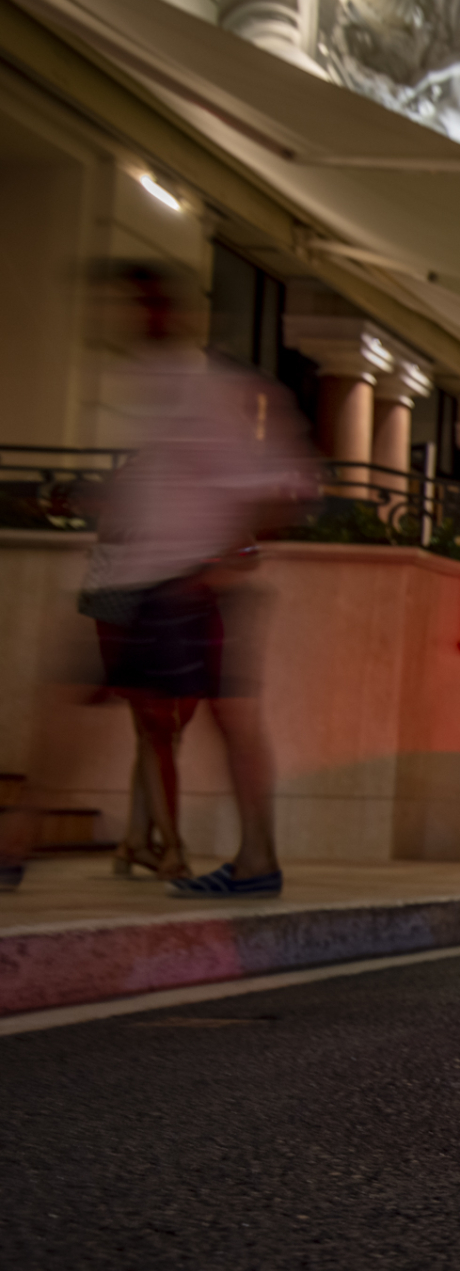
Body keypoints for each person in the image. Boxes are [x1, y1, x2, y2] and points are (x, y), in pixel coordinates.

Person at [2, 262, 318, 897]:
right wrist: (97, 499)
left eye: (134, 303)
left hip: (183, 583)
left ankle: (251, 857)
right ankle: (19, 844)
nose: (123, 318)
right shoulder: (154, 383)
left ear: (166, 310)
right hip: (134, 581)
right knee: (82, 705)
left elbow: (285, 488)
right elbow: (168, 485)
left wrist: (223, 567)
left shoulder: (216, 391)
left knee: (218, 719)